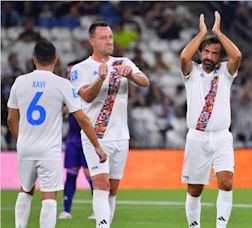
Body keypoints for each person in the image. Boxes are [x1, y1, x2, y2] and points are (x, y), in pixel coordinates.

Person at [7, 40, 106, 228]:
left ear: (33, 59)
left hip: (25, 146)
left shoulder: (20, 82)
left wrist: (21, 140)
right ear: (56, 60)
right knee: (49, 196)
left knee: (25, 191)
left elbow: (12, 118)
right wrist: (97, 146)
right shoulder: (62, 84)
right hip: (49, 149)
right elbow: (82, 119)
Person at [70, 21, 149, 228]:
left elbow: (145, 81)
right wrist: (100, 79)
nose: (109, 41)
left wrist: (130, 73)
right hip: (95, 136)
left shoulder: (123, 62)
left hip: (121, 136)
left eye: (111, 37)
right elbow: (86, 97)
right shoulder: (80, 69)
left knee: (112, 190)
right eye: (103, 38)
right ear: (92, 41)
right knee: (101, 185)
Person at [179, 11, 241, 228]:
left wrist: (218, 33)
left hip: (222, 137)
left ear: (219, 57)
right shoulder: (191, 72)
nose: (209, 56)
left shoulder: (225, 72)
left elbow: (238, 56)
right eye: (206, 51)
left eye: (215, 53)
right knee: (195, 188)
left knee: (226, 182)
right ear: (200, 52)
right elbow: (184, 57)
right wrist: (202, 33)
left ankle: (220, 227)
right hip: (197, 137)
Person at [58, 61, 95, 220]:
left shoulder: (87, 91)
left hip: (87, 139)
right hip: (73, 140)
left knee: (91, 176)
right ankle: (66, 211)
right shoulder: (65, 91)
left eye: (72, 72)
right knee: (71, 175)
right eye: (68, 72)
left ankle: (97, 211)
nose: (69, 75)